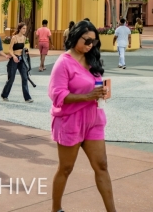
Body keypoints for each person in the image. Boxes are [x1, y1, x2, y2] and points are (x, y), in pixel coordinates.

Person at [49, 20, 115, 212]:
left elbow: (94, 85)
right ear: (75, 37)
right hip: (70, 120)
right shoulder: (63, 62)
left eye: (93, 42)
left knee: (101, 165)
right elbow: (57, 95)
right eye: (87, 40)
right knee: (66, 168)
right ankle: (56, 209)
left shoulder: (91, 59)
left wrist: (102, 92)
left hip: (93, 119)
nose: (90, 45)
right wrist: (86, 96)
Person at [1, 23, 33, 103]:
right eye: (23, 28)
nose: (24, 30)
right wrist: (14, 56)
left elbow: (24, 48)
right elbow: (10, 49)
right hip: (14, 59)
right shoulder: (14, 38)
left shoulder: (24, 38)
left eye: (25, 28)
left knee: (25, 78)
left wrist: (26, 51)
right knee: (11, 78)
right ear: (19, 29)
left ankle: (27, 98)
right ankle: (4, 95)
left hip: (21, 60)